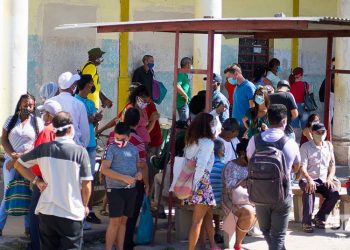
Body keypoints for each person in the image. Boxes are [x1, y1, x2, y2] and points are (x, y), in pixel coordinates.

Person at [14, 112, 92, 250]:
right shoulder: (80, 152)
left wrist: (36, 181)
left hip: (47, 212)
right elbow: (86, 184)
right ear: (70, 128)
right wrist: (85, 205)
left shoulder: (43, 149)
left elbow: (18, 165)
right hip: (70, 213)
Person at [247, 104, 301, 250]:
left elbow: (249, 160)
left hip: (259, 193)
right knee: (278, 236)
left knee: (266, 231)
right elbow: (297, 167)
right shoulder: (290, 143)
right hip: (282, 194)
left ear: (267, 119)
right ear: (284, 121)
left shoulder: (254, 140)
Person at [0, 94, 44, 236]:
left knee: (28, 193)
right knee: (8, 192)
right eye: (25, 104)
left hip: (29, 163)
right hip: (11, 162)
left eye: (30, 105)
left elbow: (39, 143)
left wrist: (22, 156)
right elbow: (4, 139)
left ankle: (28, 228)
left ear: (34, 106)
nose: (27, 107)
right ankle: (0, 226)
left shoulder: (38, 122)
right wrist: (13, 155)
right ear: (20, 105)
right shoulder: (11, 120)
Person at [101, 122, 142, 250]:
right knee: (114, 222)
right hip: (115, 190)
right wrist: (123, 178)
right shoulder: (110, 148)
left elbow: (137, 168)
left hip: (130, 190)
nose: (118, 141)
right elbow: (104, 170)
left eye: (122, 139)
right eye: (116, 138)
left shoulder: (134, 149)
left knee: (123, 222)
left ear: (129, 137)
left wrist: (139, 174)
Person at [28, 99, 61, 250]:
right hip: (57, 178)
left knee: (35, 215)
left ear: (49, 115)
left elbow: (38, 157)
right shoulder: (62, 130)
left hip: (43, 179)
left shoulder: (47, 131)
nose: (42, 116)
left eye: (44, 113)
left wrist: (35, 178)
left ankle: (36, 246)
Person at [184, 113, 220, 250]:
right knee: (197, 221)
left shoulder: (192, 141)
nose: (215, 126)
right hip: (201, 182)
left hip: (192, 180)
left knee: (207, 215)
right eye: (212, 124)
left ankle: (212, 245)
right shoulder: (207, 143)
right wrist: (195, 187)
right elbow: (201, 165)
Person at [298, 123, 340, 233]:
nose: (321, 134)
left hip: (323, 179)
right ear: (312, 133)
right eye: (318, 132)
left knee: (334, 193)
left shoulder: (329, 145)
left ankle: (319, 218)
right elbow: (302, 166)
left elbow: (332, 165)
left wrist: (330, 178)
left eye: (323, 132)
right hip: (307, 179)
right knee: (309, 190)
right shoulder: (305, 146)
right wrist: (309, 179)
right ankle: (306, 222)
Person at [75, 74, 103, 225]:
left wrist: (96, 119)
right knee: (79, 179)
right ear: (85, 85)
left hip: (91, 144)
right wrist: (89, 119)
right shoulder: (75, 101)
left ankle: (89, 209)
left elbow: (93, 124)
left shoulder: (91, 102)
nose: (92, 86)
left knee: (89, 178)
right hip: (80, 145)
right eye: (91, 83)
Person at [122, 108, 150, 250]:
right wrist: (147, 184)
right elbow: (143, 165)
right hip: (133, 181)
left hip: (115, 180)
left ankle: (116, 242)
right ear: (138, 122)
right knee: (131, 215)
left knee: (117, 217)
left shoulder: (113, 137)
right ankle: (126, 243)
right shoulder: (138, 139)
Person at [222, 140, 256, 250]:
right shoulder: (231, 166)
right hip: (231, 200)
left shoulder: (251, 165)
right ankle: (238, 244)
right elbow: (229, 189)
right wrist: (246, 182)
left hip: (247, 199)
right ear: (242, 154)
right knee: (248, 212)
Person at [49, 71, 90, 147]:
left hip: (53, 145)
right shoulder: (79, 104)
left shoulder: (50, 101)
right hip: (74, 146)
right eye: (74, 84)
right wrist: (82, 147)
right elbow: (85, 132)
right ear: (73, 87)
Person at [224, 64, 256, 129]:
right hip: (235, 126)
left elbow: (253, 108)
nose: (228, 79)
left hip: (245, 127)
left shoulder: (249, 87)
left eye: (229, 77)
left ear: (236, 74)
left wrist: (249, 128)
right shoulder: (236, 87)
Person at [209, 139, 226, 243]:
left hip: (207, 200)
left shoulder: (207, 165)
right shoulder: (223, 166)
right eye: (223, 150)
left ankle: (218, 231)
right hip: (217, 202)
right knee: (234, 206)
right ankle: (225, 234)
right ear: (220, 152)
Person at [176, 57, 193, 121]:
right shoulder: (181, 73)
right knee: (184, 123)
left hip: (185, 102)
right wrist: (185, 96)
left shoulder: (184, 74)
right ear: (188, 64)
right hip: (182, 103)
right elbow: (176, 85)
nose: (191, 66)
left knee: (186, 121)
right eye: (190, 64)